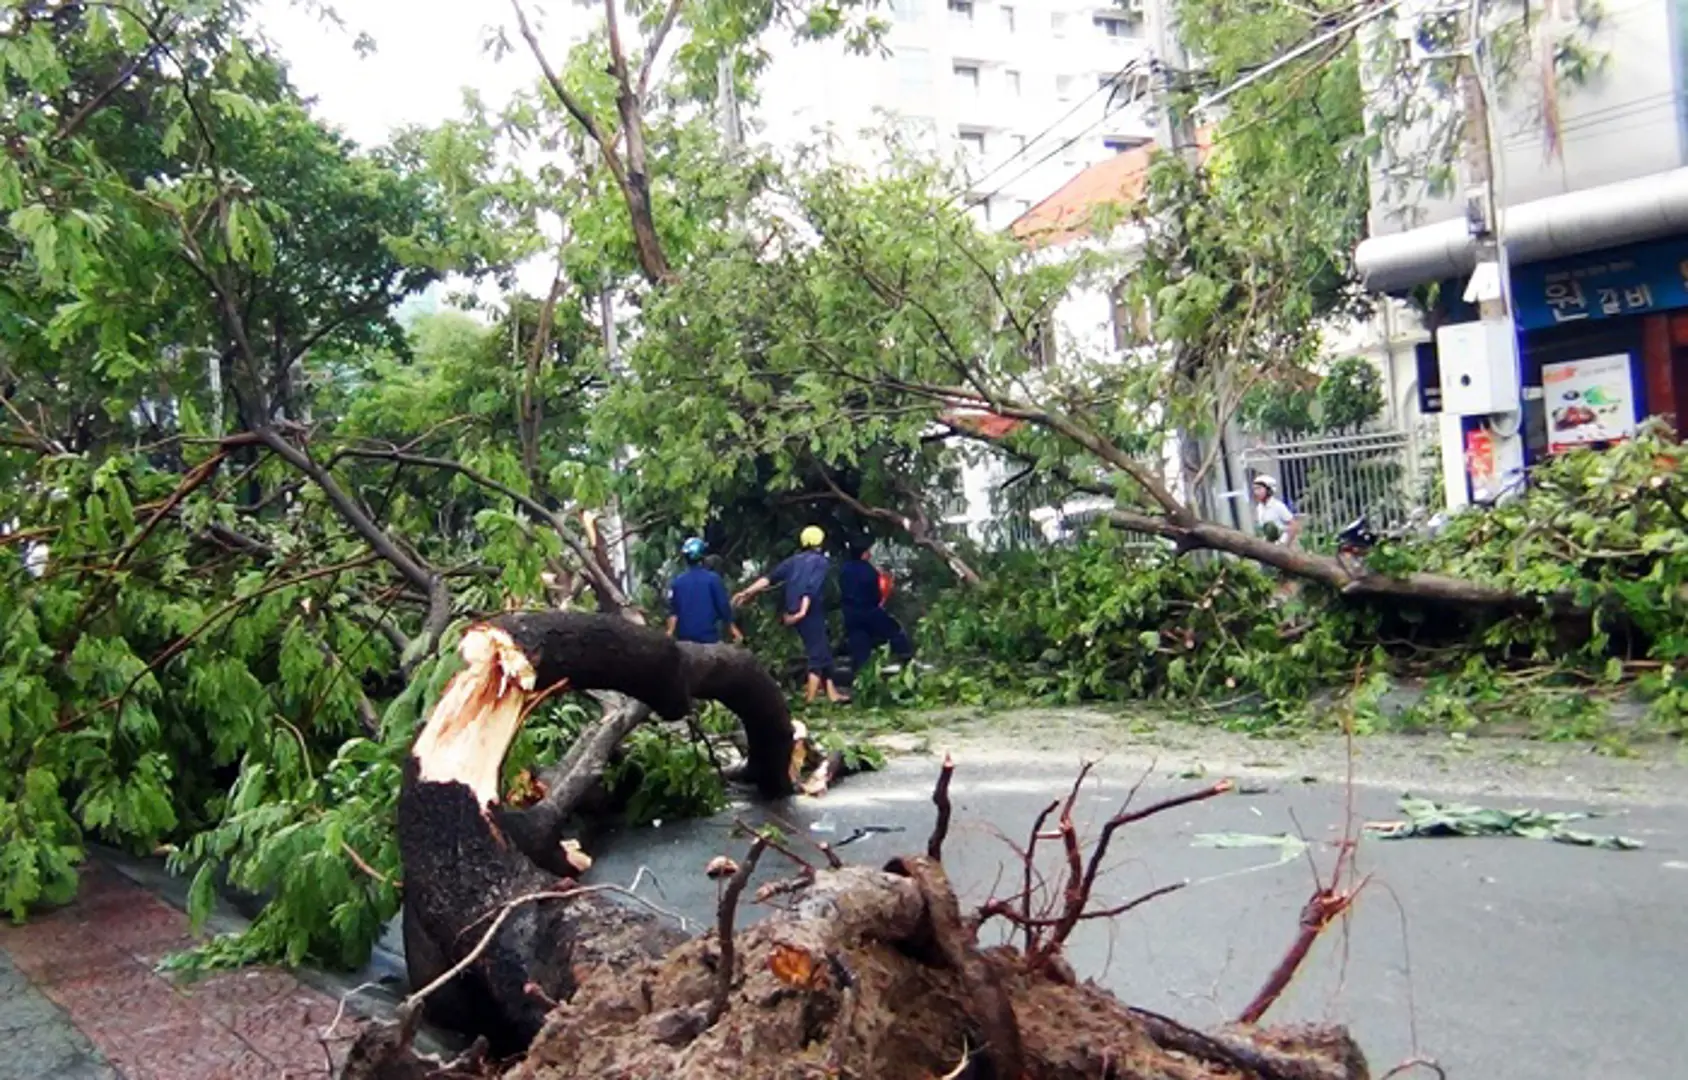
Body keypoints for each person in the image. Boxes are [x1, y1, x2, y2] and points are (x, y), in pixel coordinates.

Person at [733, 526, 850, 704]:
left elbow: (769, 578)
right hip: (808, 611)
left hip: (795, 609)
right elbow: (810, 587)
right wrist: (802, 612)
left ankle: (832, 694)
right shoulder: (820, 562)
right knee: (817, 654)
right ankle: (809, 701)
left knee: (824, 651)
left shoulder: (793, 561)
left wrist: (746, 592)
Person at [839, 537, 913, 681]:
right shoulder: (869, 571)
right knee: (894, 631)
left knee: (859, 643)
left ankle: (863, 676)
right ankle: (906, 660)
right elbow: (876, 594)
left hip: (850, 614)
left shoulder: (845, 569)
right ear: (864, 554)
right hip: (869, 610)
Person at [666, 537, 742, 645]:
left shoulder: (677, 582)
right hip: (709, 639)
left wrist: (669, 633)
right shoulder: (713, 579)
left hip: (684, 641)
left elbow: (673, 612)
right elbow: (723, 608)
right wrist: (733, 630)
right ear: (703, 557)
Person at [1252, 476, 1300, 548]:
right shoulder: (1259, 508)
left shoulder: (1277, 506)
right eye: (1255, 489)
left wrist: (1285, 544)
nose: (1256, 492)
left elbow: (1293, 525)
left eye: (1259, 488)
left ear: (1269, 489)